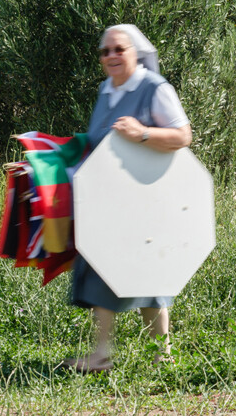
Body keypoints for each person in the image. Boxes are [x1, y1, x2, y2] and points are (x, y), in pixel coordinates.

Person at [65, 23, 193, 373]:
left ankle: (158, 355)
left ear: (135, 52)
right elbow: (93, 145)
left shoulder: (154, 88)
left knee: (148, 276)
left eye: (118, 49)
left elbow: (183, 136)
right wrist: (40, 165)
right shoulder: (106, 91)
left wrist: (142, 133)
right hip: (108, 204)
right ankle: (105, 354)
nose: (111, 56)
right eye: (105, 51)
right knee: (104, 270)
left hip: (146, 202)